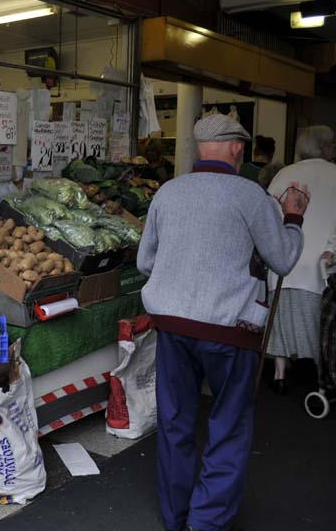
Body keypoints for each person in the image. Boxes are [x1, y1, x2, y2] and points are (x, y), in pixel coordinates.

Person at [137, 113, 307, 531]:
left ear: (199, 148)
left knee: (176, 423)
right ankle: (207, 522)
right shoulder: (251, 196)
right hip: (229, 330)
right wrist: (293, 219)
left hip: (173, 325)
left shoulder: (168, 193)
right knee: (228, 426)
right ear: (235, 148)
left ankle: (175, 517)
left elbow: (145, 263)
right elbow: (282, 258)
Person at [265, 125, 336, 394]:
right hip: (320, 268)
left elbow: (268, 217)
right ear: (327, 147)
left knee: (280, 321)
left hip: (284, 263)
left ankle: (279, 375)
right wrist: (332, 249)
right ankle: (322, 378)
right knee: (322, 328)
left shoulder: (285, 173)